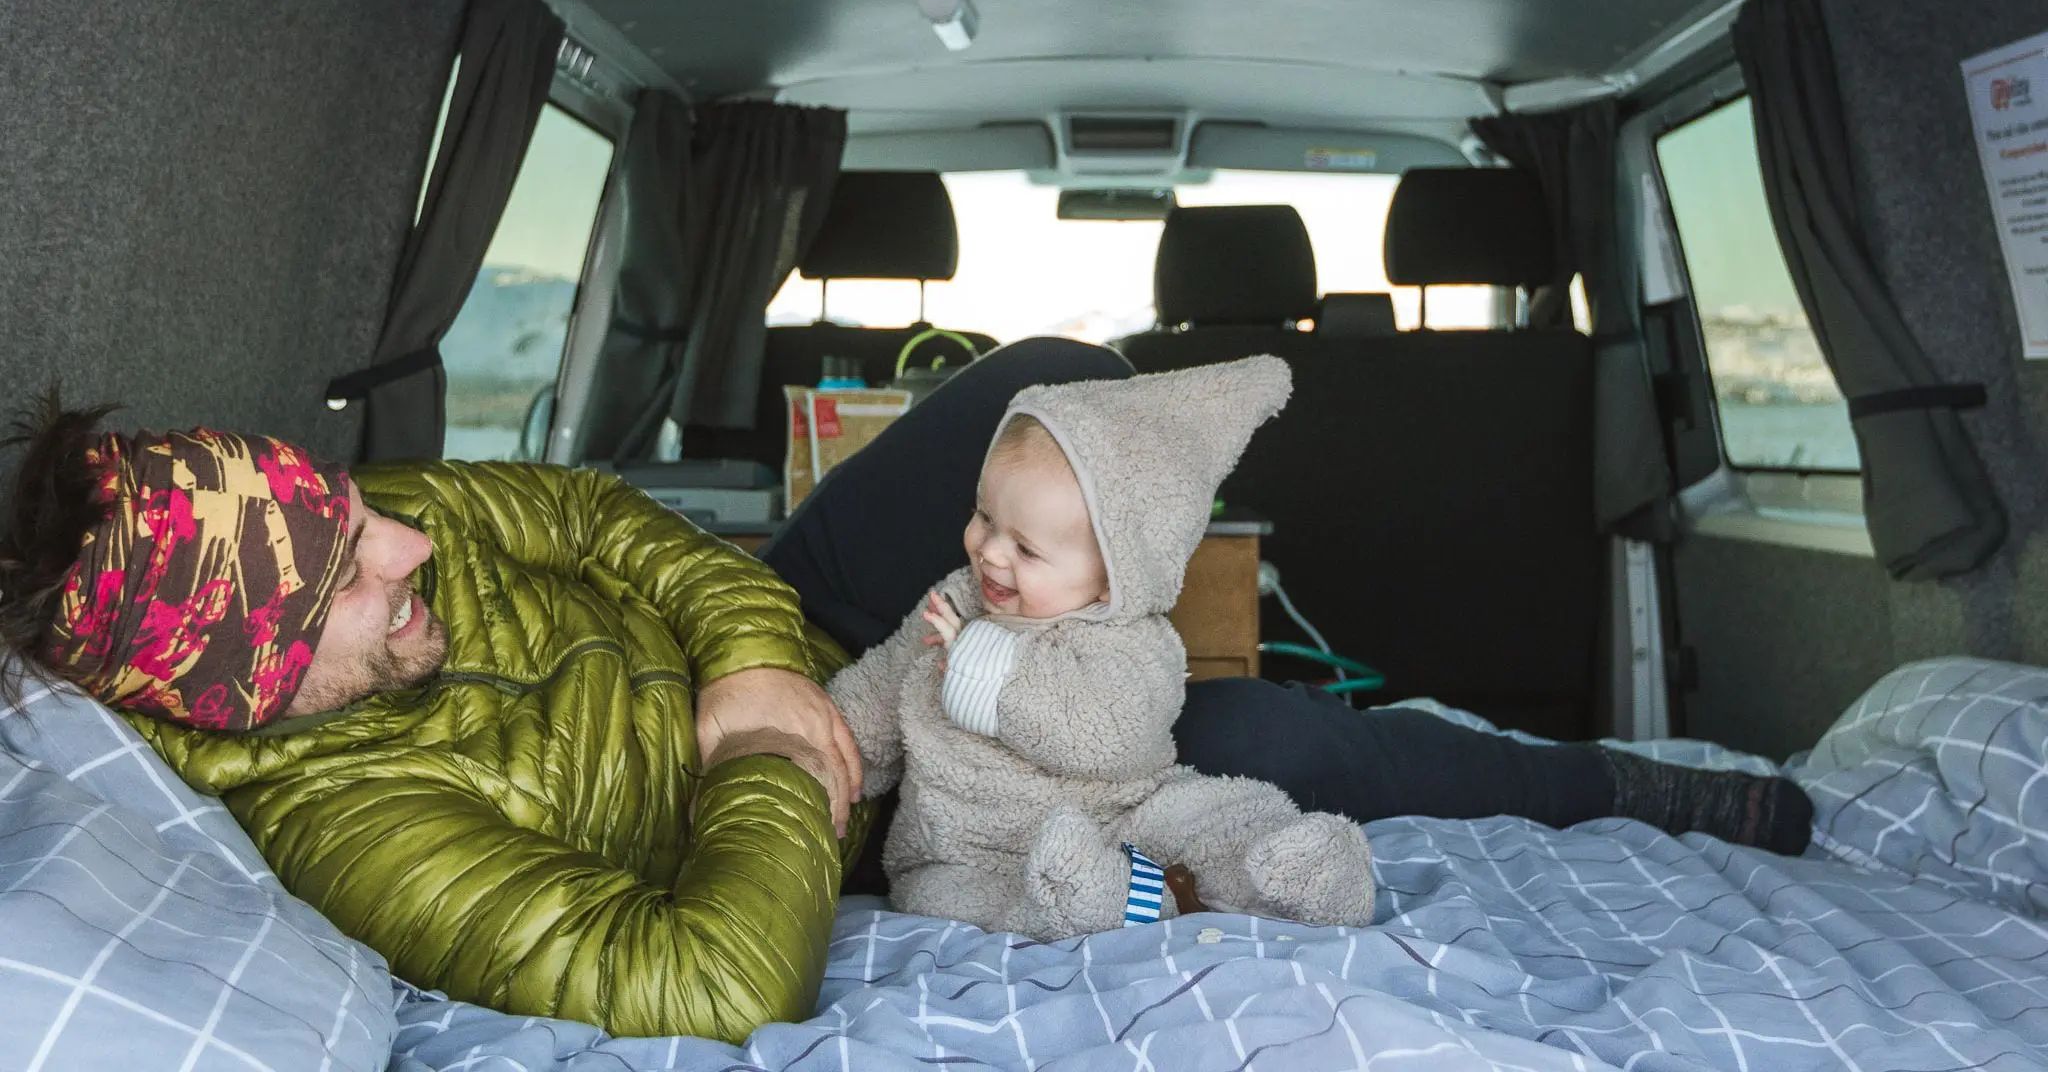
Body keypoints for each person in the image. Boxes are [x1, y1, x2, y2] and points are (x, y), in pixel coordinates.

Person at [0, 339, 1811, 1040]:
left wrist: (750, 654)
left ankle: (1097, 646)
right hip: (846, 810)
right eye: (348, 576)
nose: (404, 546)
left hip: (778, 636)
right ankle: (1641, 788)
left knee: (1044, 384)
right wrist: (789, 763)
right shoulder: (351, 824)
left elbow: (592, 519)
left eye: (367, 516)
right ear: (259, 686)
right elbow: (698, 978)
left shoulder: (393, 530)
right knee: (1263, 739)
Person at [829, 356, 1373, 939]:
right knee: (944, 896)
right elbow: (872, 704)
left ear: (1114, 576)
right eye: (984, 517)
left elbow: (1113, 734)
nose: (988, 552)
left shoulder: (1133, 642)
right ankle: (1094, 902)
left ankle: (1305, 874)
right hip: (968, 852)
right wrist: (821, 749)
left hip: (1123, 814)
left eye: (1027, 550)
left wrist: (979, 670)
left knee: (1221, 812)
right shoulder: (950, 607)